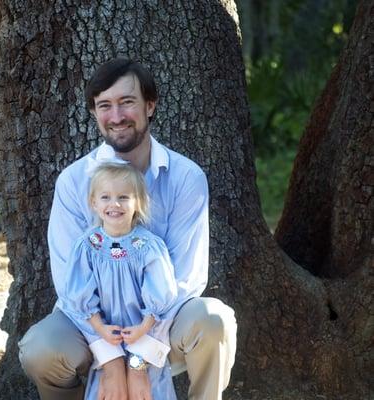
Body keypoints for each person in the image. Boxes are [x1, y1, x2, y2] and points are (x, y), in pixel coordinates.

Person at [18, 57, 237, 400]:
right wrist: (110, 360)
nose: (116, 116)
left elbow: (187, 277)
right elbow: (68, 279)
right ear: (93, 112)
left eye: (127, 102)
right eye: (105, 105)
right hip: (91, 327)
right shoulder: (75, 181)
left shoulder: (185, 178)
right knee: (41, 347)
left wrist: (139, 357)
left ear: (150, 106)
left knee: (213, 320)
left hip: (161, 323)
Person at [60, 162, 178, 400]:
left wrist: (143, 330)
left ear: (138, 203)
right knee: (109, 394)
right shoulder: (87, 246)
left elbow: (162, 294)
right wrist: (100, 328)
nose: (114, 204)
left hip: (144, 334)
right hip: (104, 337)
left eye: (124, 197)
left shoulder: (148, 247)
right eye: (105, 197)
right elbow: (79, 294)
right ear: (93, 203)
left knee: (145, 394)